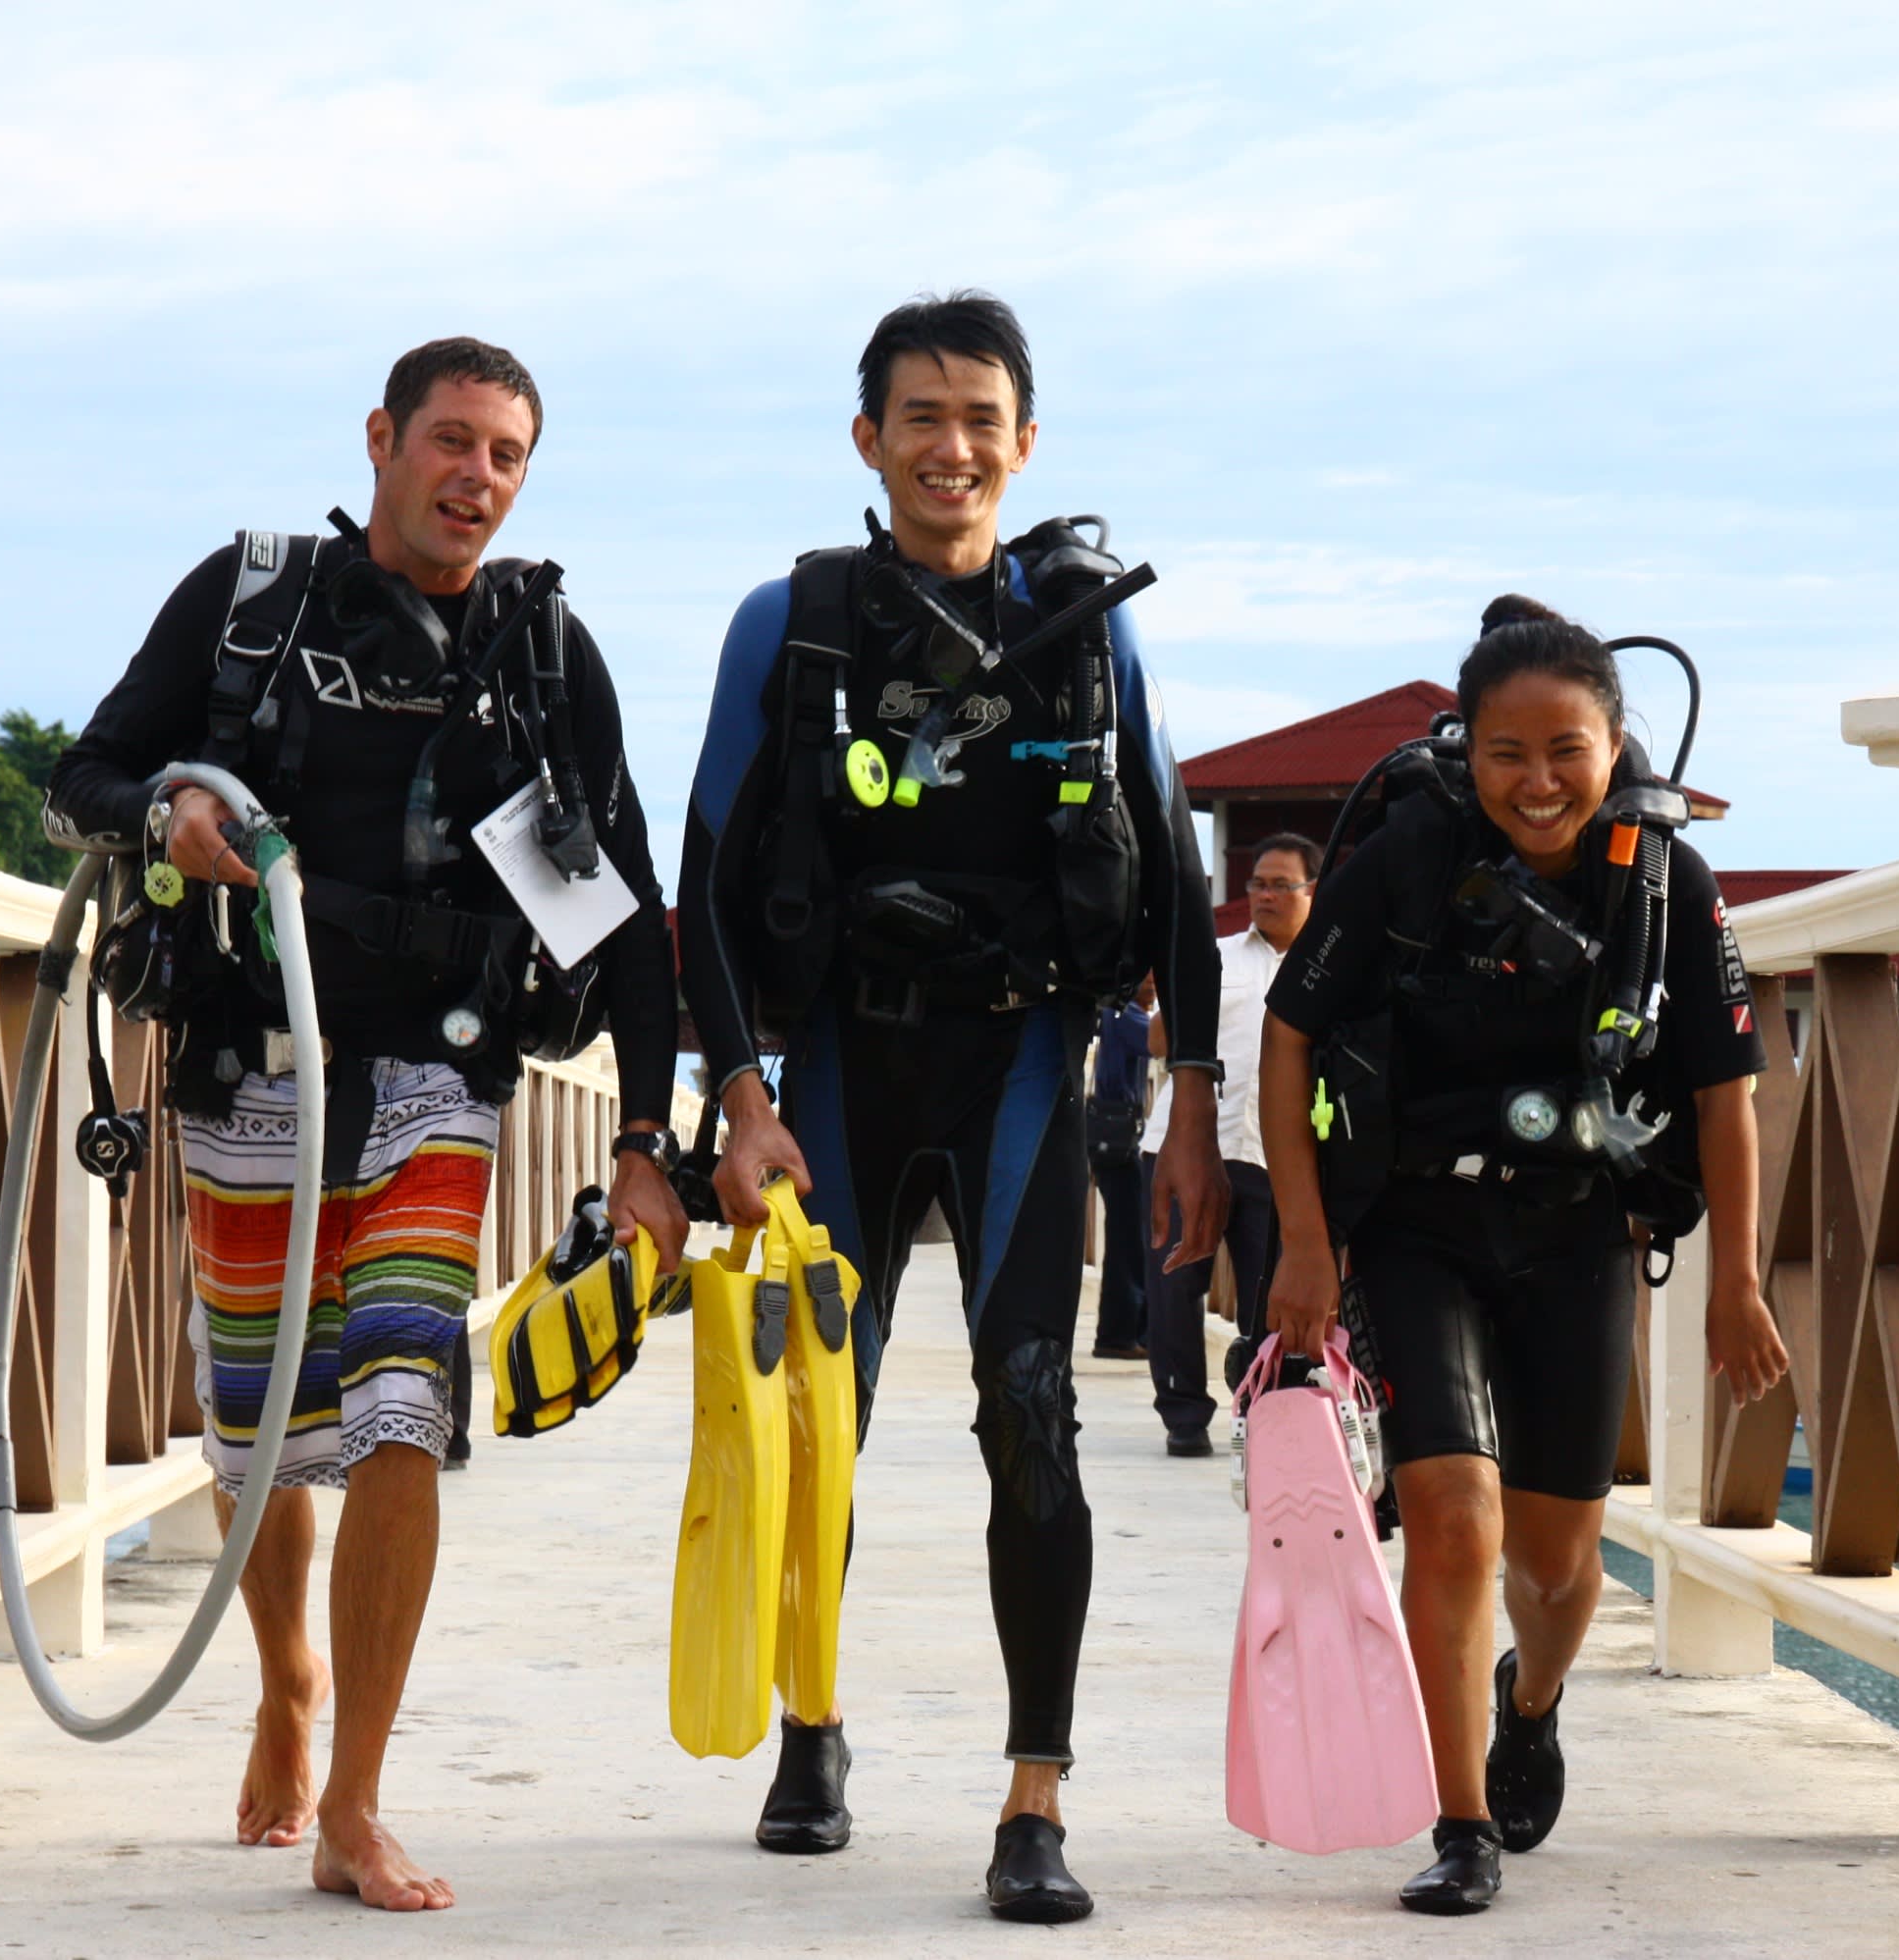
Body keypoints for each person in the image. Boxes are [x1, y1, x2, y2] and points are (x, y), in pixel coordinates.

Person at [41, 338, 687, 1912]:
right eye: (453, 441)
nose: (478, 477)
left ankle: (358, 1799)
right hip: (251, 1063)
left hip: (441, 1085)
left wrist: (646, 1140)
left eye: (508, 454)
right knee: (259, 1429)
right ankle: (287, 1677)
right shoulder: (254, 604)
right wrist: (168, 812)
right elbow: (81, 777)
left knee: (406, 1404)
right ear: (385, 439)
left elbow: (626, 920)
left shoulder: (543, 658)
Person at [680, 291, 1228, 1923]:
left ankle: (1034, 1796)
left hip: (1020, 1062)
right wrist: (737, 1096)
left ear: (1025, 442)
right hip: (845, 1069)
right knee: (814, 1420)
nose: (952, 446)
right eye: (920, 415)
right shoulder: (794, 623)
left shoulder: (1089, 625)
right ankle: (812, 1723)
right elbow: (709, 879)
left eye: (982, 417)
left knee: (1032, 1408)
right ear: (869, 438)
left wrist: (1194, 1105)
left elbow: (1176, 878)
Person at [1257, 597, 1789, 1916]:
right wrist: (1307, 1242)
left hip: (1575, 1230)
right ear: (1470, 747)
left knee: (1555, 1566)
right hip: (1416, 1224)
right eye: (1508, 752)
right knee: (1453, 1521)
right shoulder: (1406, 856)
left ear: (1613, 743)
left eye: (1566, 751)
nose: (1537, 781)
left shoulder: (1668, 884)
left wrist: (1735, 1279)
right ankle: (1462, 1821)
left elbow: (1726, 1091)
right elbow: (1288, 1032)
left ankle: (1532, 1698)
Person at [1145, 833, 1315, 1453]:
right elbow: (1157, 1041)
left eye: (1281, 885)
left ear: (1312, 892)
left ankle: (1264, 1414)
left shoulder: (1328, 971)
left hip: (1276, 1159)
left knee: (1269, 1296)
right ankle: (1184, 1418)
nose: (1265, 896)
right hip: (1188, 1151)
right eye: (1257, 884)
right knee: (1172, 1290)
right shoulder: (1213, 959)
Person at [1084, 979, 1157, 1358]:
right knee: (1129, 1241)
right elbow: (1161, 1041)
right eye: (1147, 976)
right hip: (1121, 1141)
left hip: (1113, 1139)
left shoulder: (1119, 1012)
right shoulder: (1126, 1014)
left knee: (1126, 1237)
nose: (1153, 983)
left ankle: (1127, 1331)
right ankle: (1119, 1334)